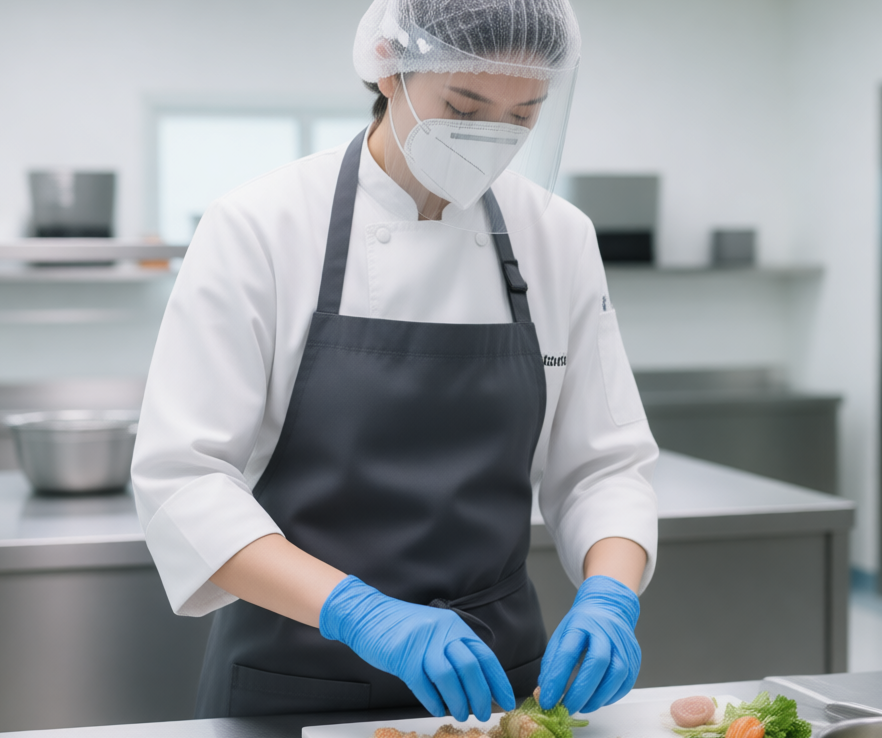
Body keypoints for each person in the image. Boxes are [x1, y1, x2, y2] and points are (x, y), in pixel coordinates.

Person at [132, 0, 658, 729]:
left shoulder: (557, 235)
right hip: (294, 673)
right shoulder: (261, 225)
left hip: (499, 685)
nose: (490, 137)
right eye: (463, 104)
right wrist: (359, 612)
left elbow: (603, 464)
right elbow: (183, 481)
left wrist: (610, 596)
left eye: (523, 114)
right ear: (387, 67)